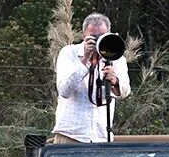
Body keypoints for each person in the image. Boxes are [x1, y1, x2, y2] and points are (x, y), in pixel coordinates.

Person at [51, 12, 131, 144]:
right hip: (71, 133)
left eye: (101, 36)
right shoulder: (69, 53)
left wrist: (114, 81)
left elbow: (125, 92)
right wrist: (85, 59)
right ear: (84, 36)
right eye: (93, 37)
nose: (98, 40)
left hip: (101, 135)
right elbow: (64, 91)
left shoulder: (116, 57)